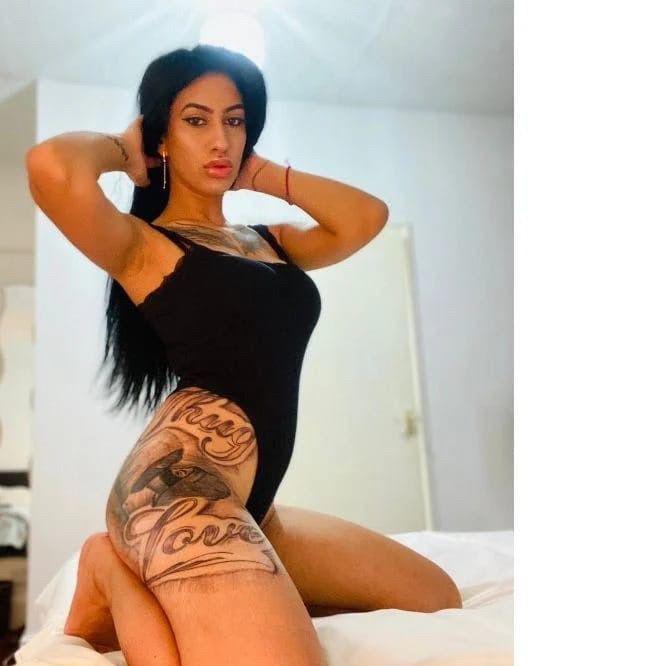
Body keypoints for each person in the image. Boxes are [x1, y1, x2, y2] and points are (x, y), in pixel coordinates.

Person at [26, 44, 461, 666]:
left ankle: (177, 581)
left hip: (257, 507)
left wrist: (258, 173)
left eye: (234, 120)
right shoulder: (146, 247)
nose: (220, 139)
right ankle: (110, 572)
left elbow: (365, 218)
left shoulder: (267, 242)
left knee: (435, 595)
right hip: (178, 497)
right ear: (162, 136)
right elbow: (52, 167)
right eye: (195, 120)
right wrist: (127, 150)